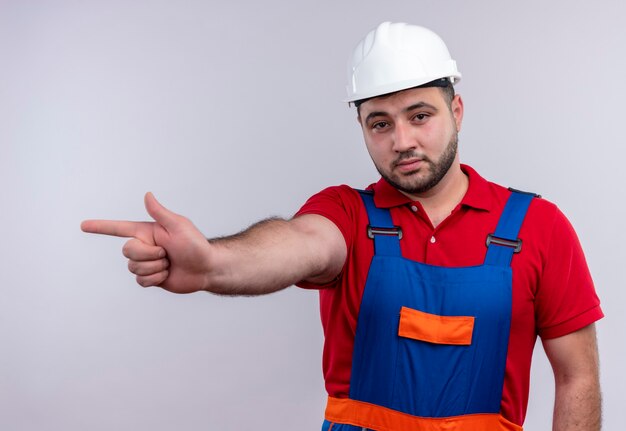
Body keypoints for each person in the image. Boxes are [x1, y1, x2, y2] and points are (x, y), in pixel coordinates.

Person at [81, 22, 603, 431]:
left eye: (419, 115)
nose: (401, 140)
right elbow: (300, 242)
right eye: (380, 122)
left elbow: (577, 378)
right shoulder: (349, 216)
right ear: (362, 127)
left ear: (457, 111)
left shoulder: (539, 227)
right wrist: (214, 263)